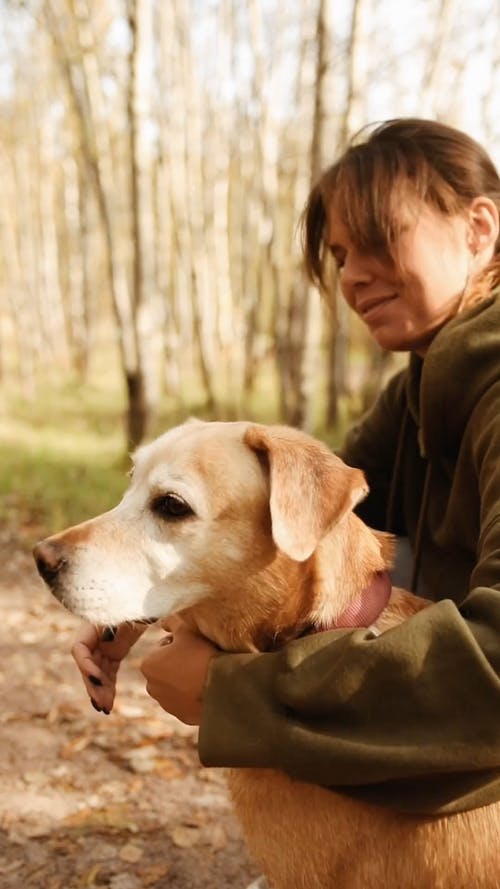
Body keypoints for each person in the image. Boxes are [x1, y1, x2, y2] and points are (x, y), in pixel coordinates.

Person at [73, 119, 500, 824]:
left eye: (378, 238)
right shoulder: (423, 386)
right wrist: (144, 592)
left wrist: (232, 694)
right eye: (340, 254)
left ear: (479, 228)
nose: (353, 275)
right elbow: (307, 531)